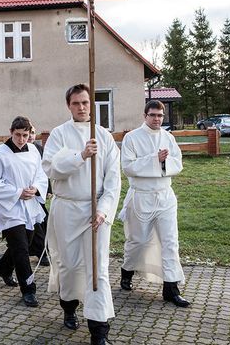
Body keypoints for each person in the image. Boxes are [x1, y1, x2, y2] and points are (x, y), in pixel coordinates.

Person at [42, 84, 121, 345]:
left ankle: (99, 331)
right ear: (69, 105)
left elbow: (113, 179)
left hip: (95, 211)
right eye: (76, 103)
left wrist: (104, 209)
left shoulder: (104, 136)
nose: (82, 107)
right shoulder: (59, 134)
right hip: (67, 208)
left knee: (98, 269)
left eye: (86, 102)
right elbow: (50, 168)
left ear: (92, 104)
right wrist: (81, 155)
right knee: (70, 265)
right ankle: (68, 306)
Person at [118, 100, 190, 307]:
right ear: (145, 116)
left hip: (165, 196)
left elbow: (178, 162)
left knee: (170, 242)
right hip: (141, 196)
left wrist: (165, 162)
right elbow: (128, 167)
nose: (157, 119)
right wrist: (154, 159)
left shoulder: (168, 137)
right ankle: (127, 270)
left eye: (160, 115)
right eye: (153, 115)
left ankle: (171, 288)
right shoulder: (132, 138)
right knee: (138, 241)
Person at [0, 116, 47, 307]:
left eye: (25, 135)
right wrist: (17, 193)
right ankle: (28, 290)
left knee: (25, 243)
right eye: (18, 135)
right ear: (11, 132)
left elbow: (41, 174)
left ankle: (4, 269)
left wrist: (36, 188)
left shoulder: (34, 151)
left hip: (30, 205)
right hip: (10, 207)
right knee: (21, 249)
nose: (21, 139)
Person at [27, 125, 50, 267]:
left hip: (37, 193)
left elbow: (44, 171)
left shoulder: (38, 149)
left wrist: (47, 189)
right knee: (33, 226)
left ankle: (43, 251)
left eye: (33, 133)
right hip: (24, 194)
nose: (30, 136)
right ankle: (41, 253)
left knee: (43, 222)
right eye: (28, 133)